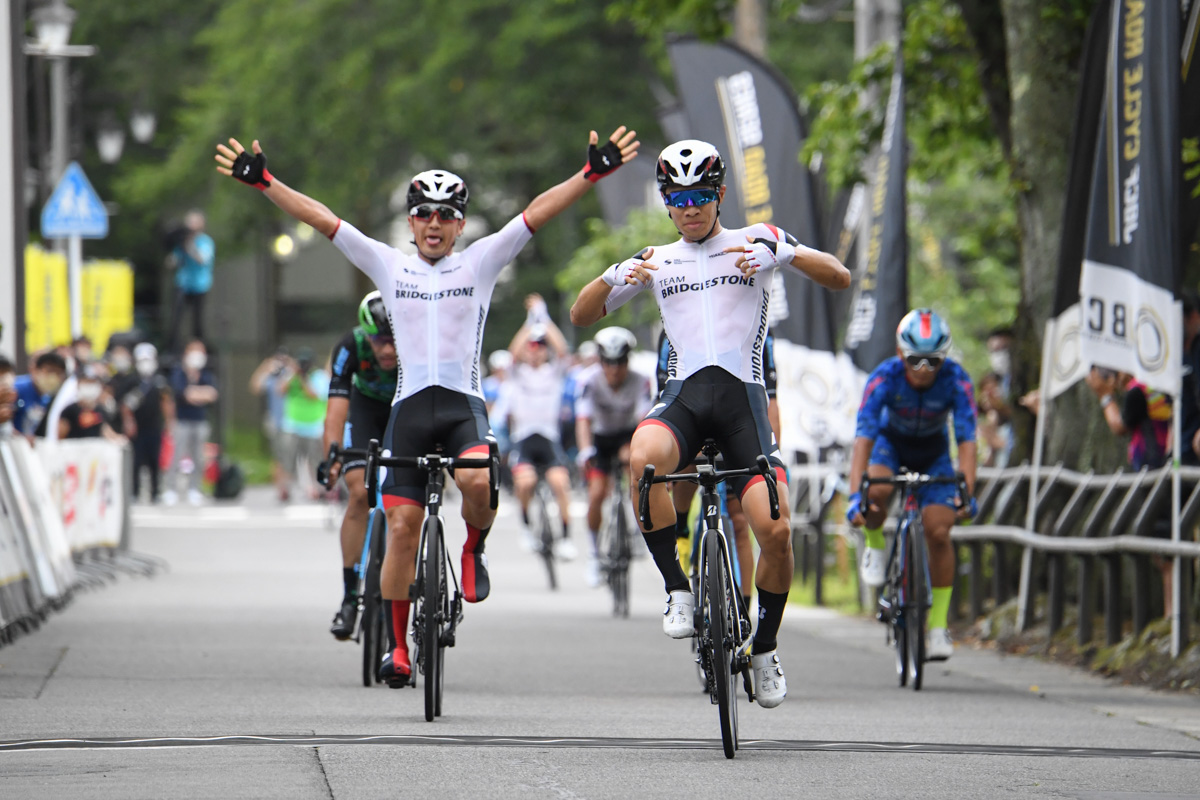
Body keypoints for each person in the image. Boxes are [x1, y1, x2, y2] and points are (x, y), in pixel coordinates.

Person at [216, 123, 638, 686]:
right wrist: (265, 182)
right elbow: (321, 219)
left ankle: (474, 549)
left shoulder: (482, 261)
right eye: (423, 214)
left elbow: (537, 212)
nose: (434, 223)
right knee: (401, 526)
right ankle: (396, 645)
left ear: (461, 224)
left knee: (478, 480)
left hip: (463, 405)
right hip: (410, 410)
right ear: (411, 221)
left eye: (445, 215)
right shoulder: (390, 265)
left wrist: (590, 175)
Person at [569, 139, 850, 708]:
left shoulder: (757, 241)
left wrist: (786, 256)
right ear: (666, 201)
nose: (691, 207)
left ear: (719, 195)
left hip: (743, 405)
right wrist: (613, 274)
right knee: (641, 458)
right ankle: (677, 588)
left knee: (774, 531)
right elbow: (580, 314)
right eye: (679, 197)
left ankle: (765, 647)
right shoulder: (656, 259)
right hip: (686, 403)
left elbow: (839, 276)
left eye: (701, 195)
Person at [846, 308, 978, 662]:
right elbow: (863, 439)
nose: (923, 370)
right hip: (891, 445)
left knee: (939, 531)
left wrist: (966, 490)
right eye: (915, 359)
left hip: (933, 453)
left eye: (933, 361)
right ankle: (874, 542)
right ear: (901, 353)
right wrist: (855, 495)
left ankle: (937, 627)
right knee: (878, 492)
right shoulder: (884, 377)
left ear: (944, 358)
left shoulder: (957, 379)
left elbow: (966, 441)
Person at [322, 292, 398, 640]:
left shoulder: (419, 341)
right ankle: (351, 595)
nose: (386, 350)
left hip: (404, 408)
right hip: (365, 410)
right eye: (378, 340)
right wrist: (332, 458)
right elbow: (336, 408)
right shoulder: (350, 345)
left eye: (393, 341)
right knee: (358, 492)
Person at [1086, 366, 1176, 617]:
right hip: (1163, 466)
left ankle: (1172, 613)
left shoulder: (1138, 390)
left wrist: (1105, 396)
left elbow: (1119, 425)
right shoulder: (1159, 384)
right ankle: (1173, 611)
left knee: (1166, 544)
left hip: (1155, 468)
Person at [575, 326, 652, 586]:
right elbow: (583, 420)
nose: (614, 370)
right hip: (601, 438)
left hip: (628, 434)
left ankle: (639, 532)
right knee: (597, 494)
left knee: (637, 474)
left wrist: (636, 450)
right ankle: (595, 554)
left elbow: (644, 419)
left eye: (620, 363)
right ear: (600, 361)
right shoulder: (588, 379)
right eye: (608, 363)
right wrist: (585, 450)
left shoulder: (641, 380)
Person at [508, 294, 576, 560]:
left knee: (560, 483)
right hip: (524, 439)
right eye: (531, 345)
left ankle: (566, 538)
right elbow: (514, 352)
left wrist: (544, 317)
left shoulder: (554, 372)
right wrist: (530, 321)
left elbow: (563, 350)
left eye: (540, 345)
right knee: (525, 483)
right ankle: (526, 527)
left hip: (548, 438)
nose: (535, 349)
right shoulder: (517, 373)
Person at [164, 339, 218, 506]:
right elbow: (184, 394)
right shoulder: (179, 372)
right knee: (177, 455)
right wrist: (199, 394)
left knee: (198, 457)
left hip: (199, 420)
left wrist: (196, 394)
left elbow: (212, 394)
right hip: (182, 420)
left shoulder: (206, 374)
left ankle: (195, 489)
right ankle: (170, 489)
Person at [123, 343, 174, 503]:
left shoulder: (159, 381)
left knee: (154, 461)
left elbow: (166, 401)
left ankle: (155, 492)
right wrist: (128, 421)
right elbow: (125, 405)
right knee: (136, 460)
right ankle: (135, 492)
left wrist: (169, 422)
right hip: (138, 427)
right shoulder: (132, 381)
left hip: (154, 426)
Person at [277, 347, 330, 501]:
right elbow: (280, 389)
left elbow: (313, 395)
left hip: (313, 427)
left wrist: (303, 378)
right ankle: (284, 489)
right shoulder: (291, 375)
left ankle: (319, 489)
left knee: (316, 460)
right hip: (292, 425)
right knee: (287, 459)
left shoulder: (319, 377)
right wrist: (294, 374)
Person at [166, 210, 216, 354]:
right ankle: (173, 348)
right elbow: (171, 262)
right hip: (182, 283)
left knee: (197, 321)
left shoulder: (205, 242)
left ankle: (199, 347)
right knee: (176, 318)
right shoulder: (181, 242)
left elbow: (202, 260)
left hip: (199, 285)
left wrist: (190, 245)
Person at [249, 346, 291, 500]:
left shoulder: (290, 375)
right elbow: (255, 387)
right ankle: (281, 488)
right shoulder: (271, 377)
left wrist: (291, 367)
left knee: (290, 456)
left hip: (292, 422)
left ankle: (288, 485)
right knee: (278, 457)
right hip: (276, 421)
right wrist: (265, 367)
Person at [58, 365, 124, 442]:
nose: (89, 386)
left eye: (93, 382)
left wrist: (119, 439)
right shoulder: (69, 411)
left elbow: (105, 430)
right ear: (79, 384)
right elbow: (60, 436)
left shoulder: (100, 410)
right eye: (87, 382)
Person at [12, 351, 68, 439]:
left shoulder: (49, 398)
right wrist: (19, 436)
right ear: (36, 370)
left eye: (58, 373)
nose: (52, 377)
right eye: (49, 371)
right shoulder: (16, 389)